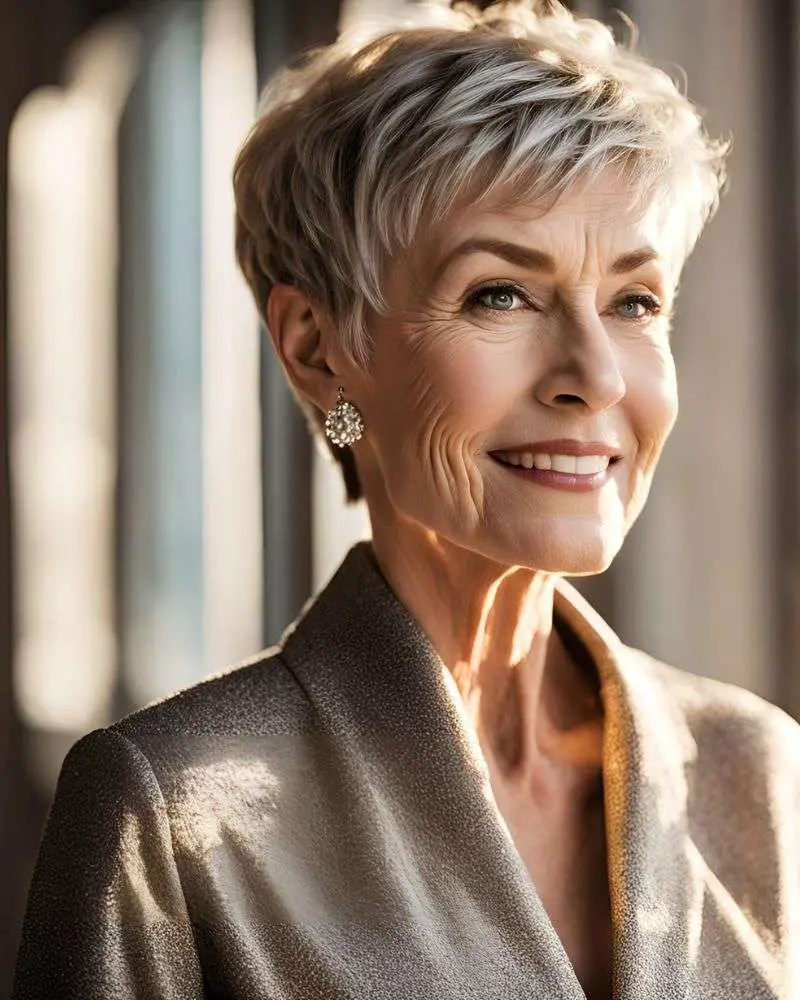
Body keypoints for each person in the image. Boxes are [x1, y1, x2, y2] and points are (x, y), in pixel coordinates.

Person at [12, 2, 800, 998]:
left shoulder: (759, 775)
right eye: (498, 295)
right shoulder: (169, 815)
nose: (594, 375)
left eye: (633, 302)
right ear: (316, 346)